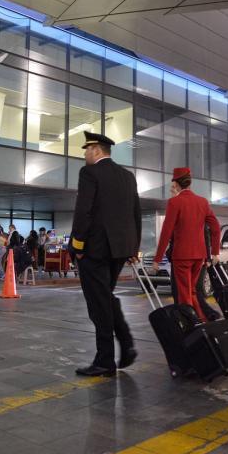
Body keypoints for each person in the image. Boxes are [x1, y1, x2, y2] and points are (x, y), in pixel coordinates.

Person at [71, 131, 141, 377]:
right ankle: (126, 341)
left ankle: (105, 361)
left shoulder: (89, 173)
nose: (85, 154)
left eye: (87, 149)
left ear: (97, 150)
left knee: (98, 304)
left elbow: (84, 211)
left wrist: (77, 245)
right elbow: (135, 212)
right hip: (120, 250)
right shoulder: (127, 176)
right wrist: (133, 248)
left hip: (95, 249)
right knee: (105, 297)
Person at [153, 167, 220, 321]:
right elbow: (215, 227)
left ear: (176, 183)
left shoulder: (174, 202)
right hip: (200, 256)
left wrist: (157, 259)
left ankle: (193, 328)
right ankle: (203, 322)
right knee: (192, 292)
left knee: (184, 295)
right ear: (189, 182)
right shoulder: (202, 202)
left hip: (182, 256)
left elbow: (166, 232)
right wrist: (215, 251)